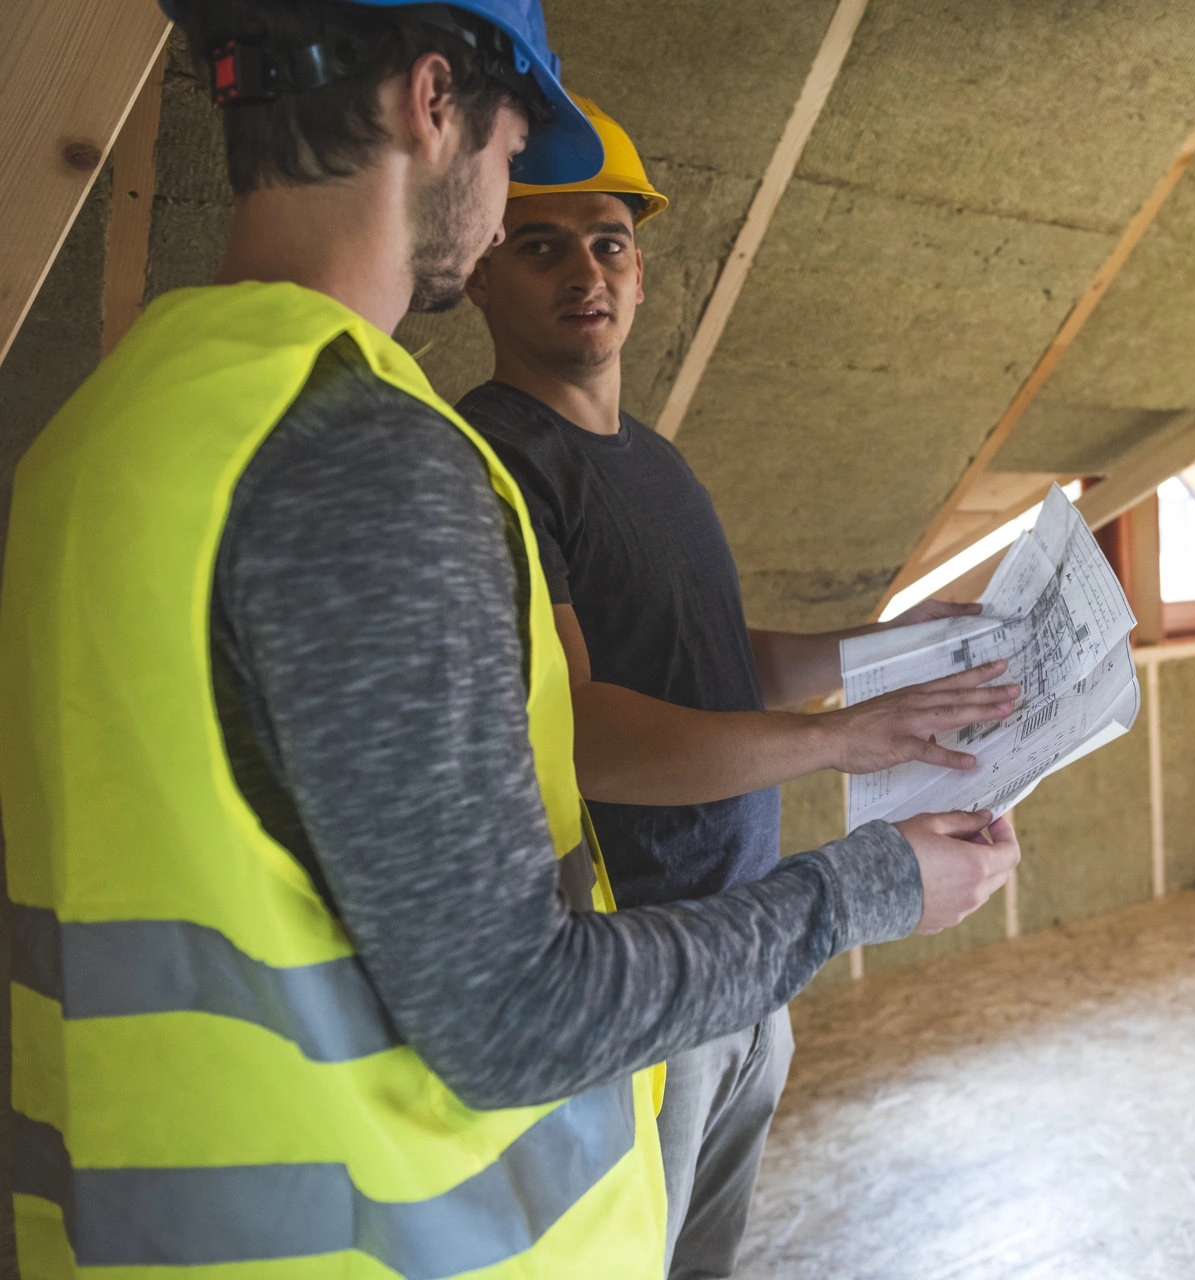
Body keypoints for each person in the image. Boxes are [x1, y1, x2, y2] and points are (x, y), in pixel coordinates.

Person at [0, 3, 1018, 1277]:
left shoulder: (93, 434)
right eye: (515, 144)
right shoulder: (368, 460)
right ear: (435, 104)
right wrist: (869, 887)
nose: (509, 194)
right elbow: (515, 1016)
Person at [456, 98, 1017, 1278]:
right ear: (479, 273)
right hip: (634, 960)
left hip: (745, 940)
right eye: (540, 243)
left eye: (608, 242)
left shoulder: (650, 458)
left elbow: (726, 664)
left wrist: (883, 652)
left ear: (644, 274)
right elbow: (586, 736)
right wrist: (838, 743)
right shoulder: (497, 457)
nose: (584, 271)